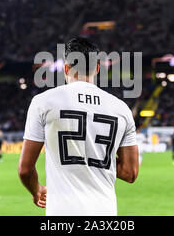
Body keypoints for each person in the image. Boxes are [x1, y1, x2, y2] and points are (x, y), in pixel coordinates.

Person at [19, 37, 139, 216]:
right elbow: (130, 173)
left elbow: (25, 169)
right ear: (97, 68)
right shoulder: (121, 109)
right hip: (105, 212)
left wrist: (36, 190)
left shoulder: (43, 102)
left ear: (66, 68)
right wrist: (94, 153)